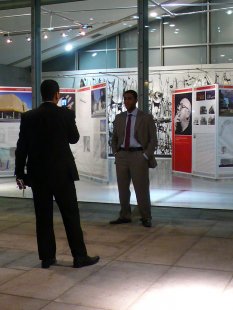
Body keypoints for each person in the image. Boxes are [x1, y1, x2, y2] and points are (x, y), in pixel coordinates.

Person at [15, 79, 99, 269]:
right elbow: (74, 138)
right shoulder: (65, 114)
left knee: (43, 217)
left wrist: (20, 172)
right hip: (62, 174)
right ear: (56, 95)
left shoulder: (29, 117)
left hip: (38, 175)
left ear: (42, 94)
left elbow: (22, 148)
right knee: (70, 216)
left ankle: (47, 258)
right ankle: (79, 256)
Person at [110, 90, 157, 228]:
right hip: (122, 155)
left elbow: (153, 139)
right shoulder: (119, 118)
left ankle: (146, 217)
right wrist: (116, 152)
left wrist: (145, 155)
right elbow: (114, 138)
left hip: (138, 155)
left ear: (136, 100)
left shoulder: (145, 117)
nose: (126, 101)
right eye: (124, 99)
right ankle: (124, 215)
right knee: (122, 189)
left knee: (141, 188)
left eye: (129, 99)